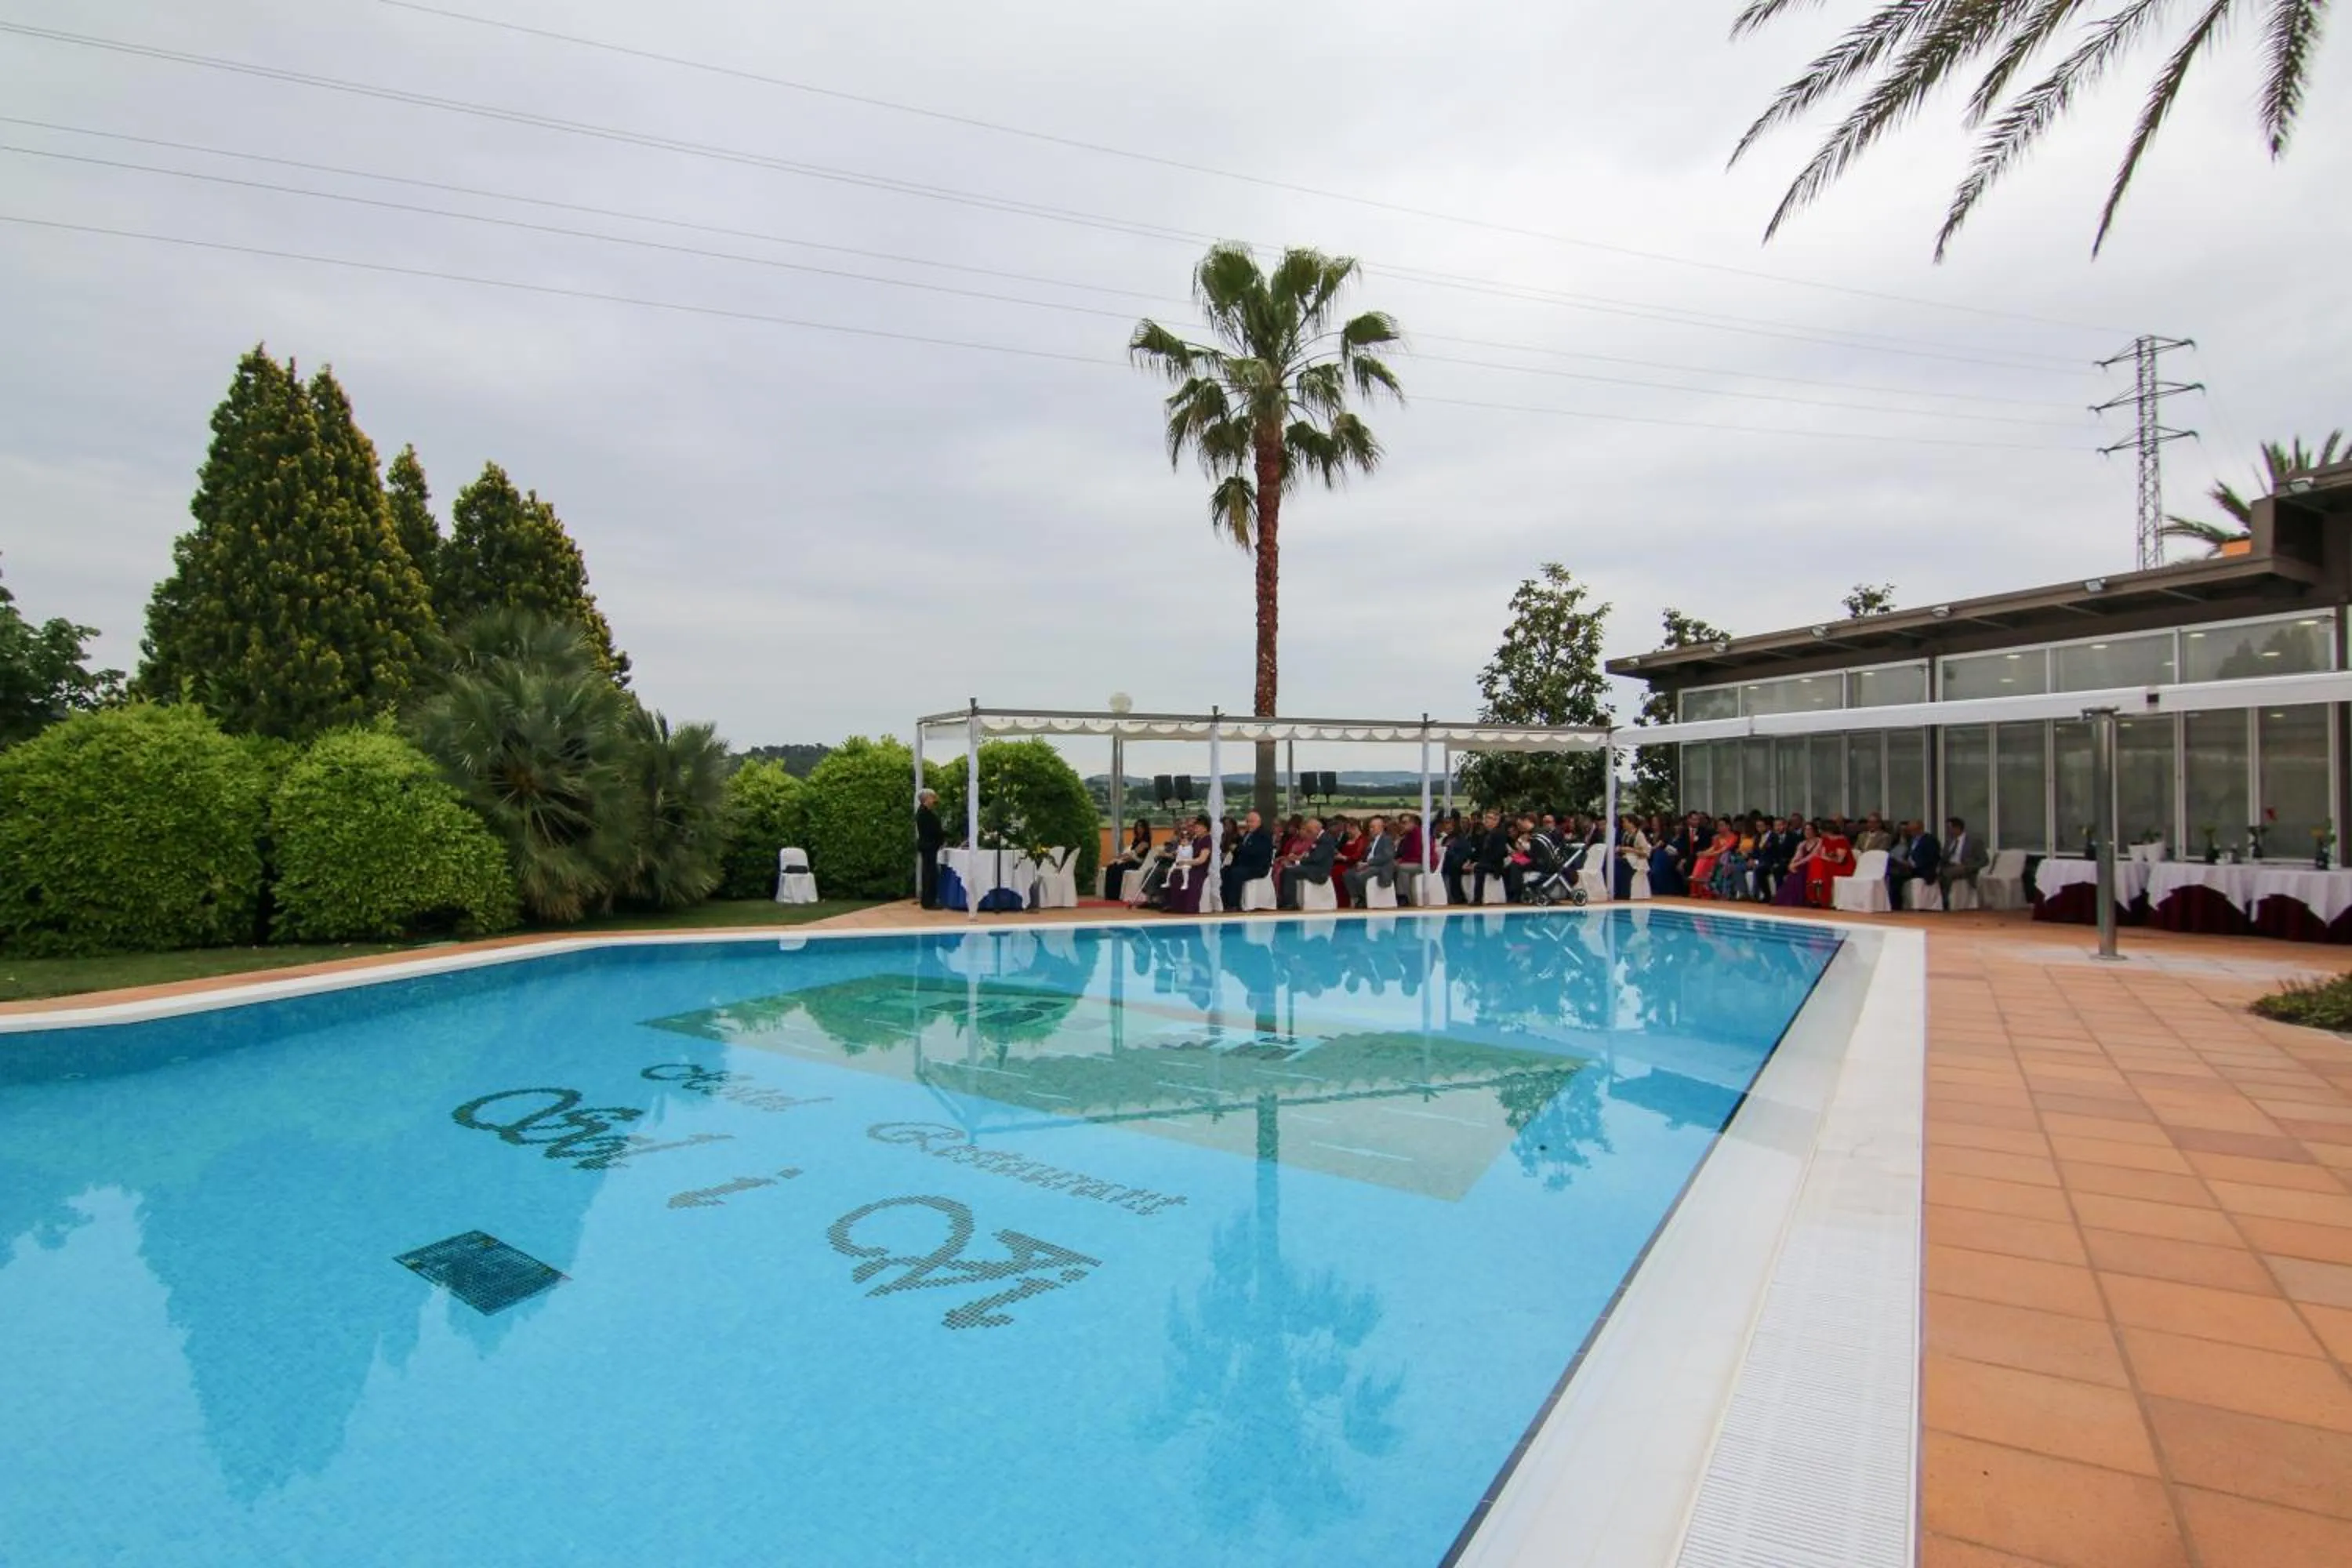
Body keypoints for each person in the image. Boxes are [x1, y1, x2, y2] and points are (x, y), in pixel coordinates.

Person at [1222, 810, 1275, 911]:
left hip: (1258, 867)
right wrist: (1234, 849)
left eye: (1252, 822)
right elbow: (1241, 850)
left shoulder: (1264, 835)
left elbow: (1255, 852)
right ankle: (1226, 902)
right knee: (1225, 871)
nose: (1249, 824)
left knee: (1236, 873)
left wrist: (1237, 848)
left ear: (1259, 822)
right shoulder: (1247, 834)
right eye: (1248, 822)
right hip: (1245, 865)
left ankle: (1234, 904)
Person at [1279, 816, 1337, 909]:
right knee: (1286, 870)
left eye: (1310, 831)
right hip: (1312, 867)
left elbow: (1316, 858)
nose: (1308, 834)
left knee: (1290, 872)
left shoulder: (1326, 839)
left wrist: (1298, 861)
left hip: (1319, 872)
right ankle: (1287, 901)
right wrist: (1299, 859)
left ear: (1317, 829)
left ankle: (1291, 903)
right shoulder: (1319, 838)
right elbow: (1310, 855)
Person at [1347, 815, 1398, 904]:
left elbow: (1386, 856)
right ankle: (1357, 897)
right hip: (1371, 865)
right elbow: (1367, 854)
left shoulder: (1386, 839)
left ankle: (1365, 898)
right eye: (1370, 827)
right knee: (1347, 874)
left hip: (1381, 867)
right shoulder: (1373, 840)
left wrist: (1368, 863)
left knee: (1360, 876)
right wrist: (1362, 862)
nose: (1370, 830)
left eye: (1373, 827)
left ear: (1381, 828)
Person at [1940, 816, 1987, 908]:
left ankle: (1946, 901)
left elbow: (1984, 860)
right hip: (1949, 866)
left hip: (1965, 867)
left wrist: (1968, 867)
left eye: (1950, 828)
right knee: (1938, 873)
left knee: (1946, 874)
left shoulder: (1974, 841)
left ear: (1957, 828)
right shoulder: (1949, 841)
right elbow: (1944, 858)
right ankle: (1944, 899)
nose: (1948, 831)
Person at [1104, 817, 1154, 900]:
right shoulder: (1136, 840)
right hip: (1131, 861)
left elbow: (1134, 854)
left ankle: (1115, 894)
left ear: (1145, 829)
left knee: (1118, 869)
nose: (1139, 829)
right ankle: (1110, 895)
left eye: (1141, 827)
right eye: (1137, 826)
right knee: (1111, 867)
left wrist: (1121, 860)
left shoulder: (1145, 841)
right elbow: (1129, 854)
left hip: (1138, 863)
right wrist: (1118, 859)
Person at [1806, 824, 1856, 907]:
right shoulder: (1825, 840)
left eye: (1821, 830)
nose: (1820, 832)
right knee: (1816, 861)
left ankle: (1819, 893)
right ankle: (1816, 889)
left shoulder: (1841, 840)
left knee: (1819, 864)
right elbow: (1822, 854)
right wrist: (1825, 858)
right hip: (1829, 863)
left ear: (1827, 831)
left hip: (1842, 866)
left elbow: (1840, 860)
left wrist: (1826, 858)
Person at [915, 788, 946, 909]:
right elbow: (932, 831)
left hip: (929, 846)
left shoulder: (925, 812)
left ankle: (928, 900)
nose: (934, 800)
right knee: (930, 874)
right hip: (929, 847)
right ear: (926, 799)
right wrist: (943, 835)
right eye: (932, 798)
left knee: (929, 873)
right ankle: (929, 902)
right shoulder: (924, 814)